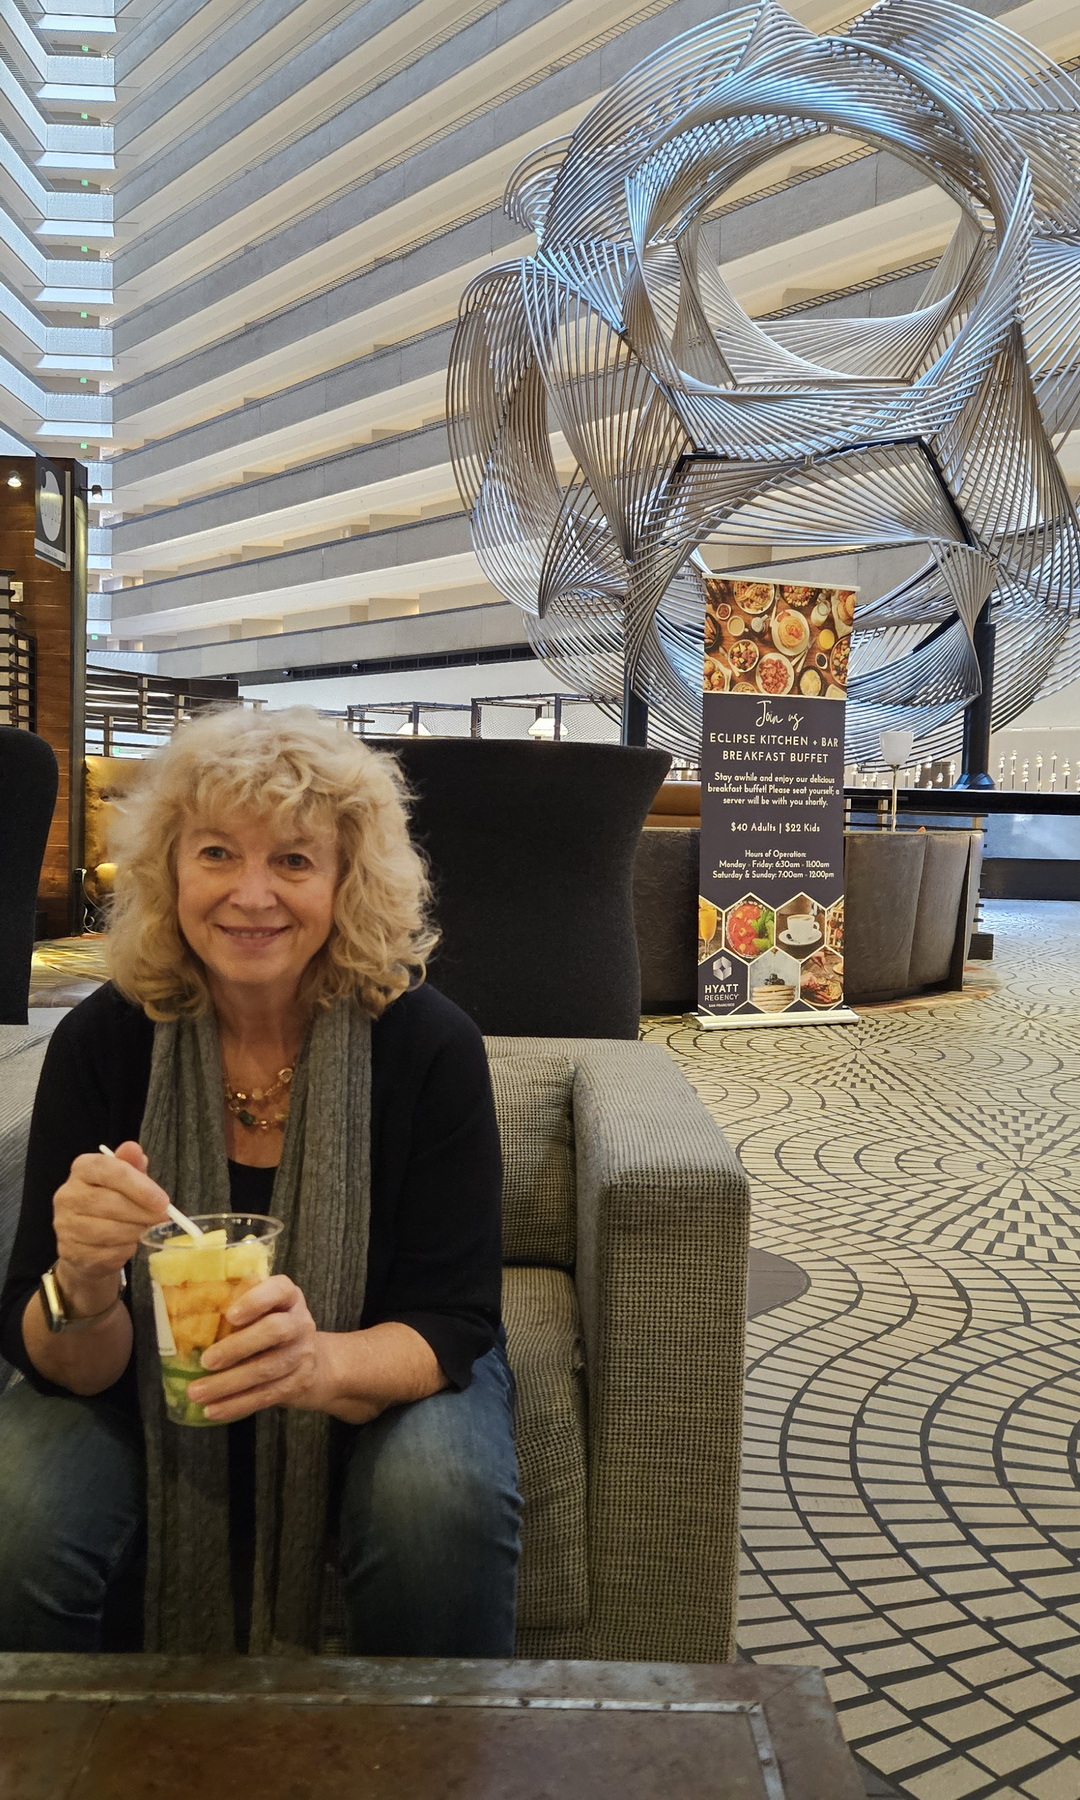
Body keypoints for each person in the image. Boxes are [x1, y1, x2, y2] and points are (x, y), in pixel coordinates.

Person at [0, 707, 519, 1655]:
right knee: (18, 1508)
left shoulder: (428, 1047)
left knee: (437, 1503)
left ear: (347, 881)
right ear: (168, 870)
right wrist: (83, 1279)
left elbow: (451, 1321)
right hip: (143, 1390)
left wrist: (314, 1364)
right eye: (216, 854)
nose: (251, 895)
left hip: (374, 1368)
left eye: (292, 860)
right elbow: (57, 1359)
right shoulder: (105, 1041)